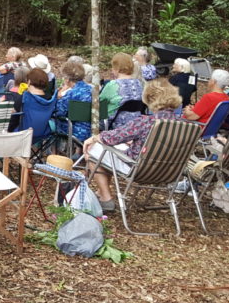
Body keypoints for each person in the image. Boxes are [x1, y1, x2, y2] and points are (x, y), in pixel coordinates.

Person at [82, 80, 184, 211]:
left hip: (138, 169)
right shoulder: (183, 125)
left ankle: (106, 198)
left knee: (94, 150)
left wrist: (95, 138)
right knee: (107, 153)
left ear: (149, 98)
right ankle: (101, 193)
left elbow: (113, 137)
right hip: (168, 172)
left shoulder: (146, 122)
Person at [99, 52, 144, 128]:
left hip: (114, 127)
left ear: (116, 69)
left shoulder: (112, 85)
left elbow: (100, 105)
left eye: (112, 67)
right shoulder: (138, 83)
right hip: (136, 126)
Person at [54, 59, 93, 141]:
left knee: (50, 123)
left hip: (74, 131)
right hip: (93, 129)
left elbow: (58, 112)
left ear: (67, 79)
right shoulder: (92, 90)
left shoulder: (71, 94)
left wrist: (57, 97)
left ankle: (54, 152)